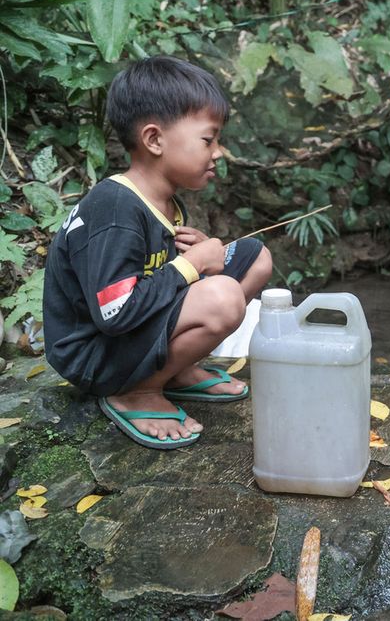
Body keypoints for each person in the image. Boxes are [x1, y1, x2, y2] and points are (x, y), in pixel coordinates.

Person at [43, 56, 273, 450]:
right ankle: (134, 392)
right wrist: (191, 265)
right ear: (154, 140)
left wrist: (195, 255)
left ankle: (174, 370)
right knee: (222, 298)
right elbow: (114, 314)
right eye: (208, 139)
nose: (219, 151)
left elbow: (159, 282)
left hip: (129, 335)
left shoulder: (164, 202)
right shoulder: (115, 210)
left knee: (255, 256)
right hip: (96, 353)